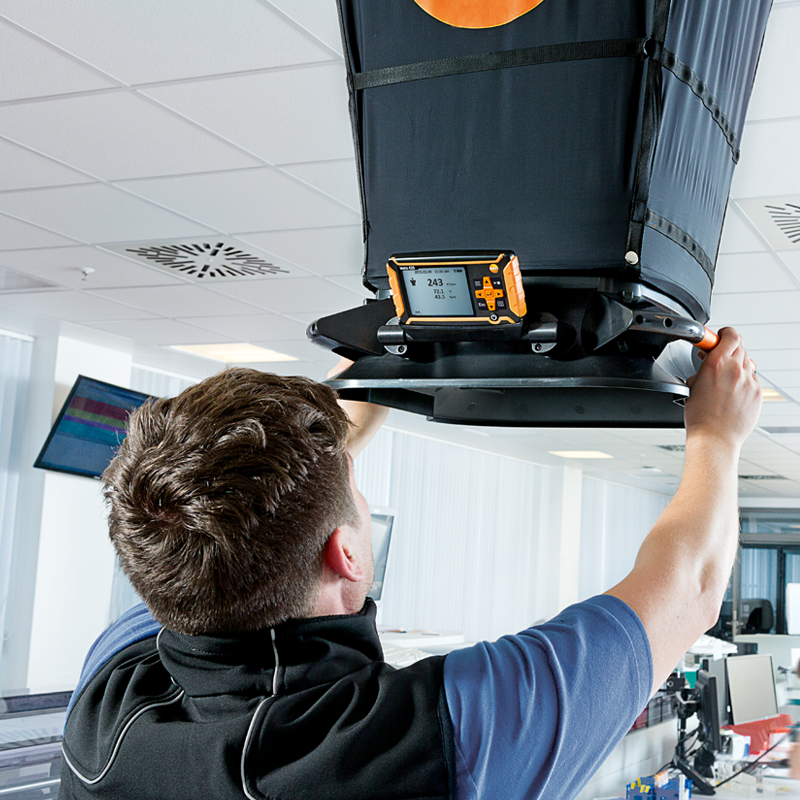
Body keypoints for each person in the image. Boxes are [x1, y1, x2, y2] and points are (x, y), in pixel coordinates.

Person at [60, 327, 761, 800]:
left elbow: (248, 532)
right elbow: (691, 587)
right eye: (356, 498)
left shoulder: (109, 696)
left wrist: (376, 375)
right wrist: (719, 436)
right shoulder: (437, 734)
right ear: (349, 554)